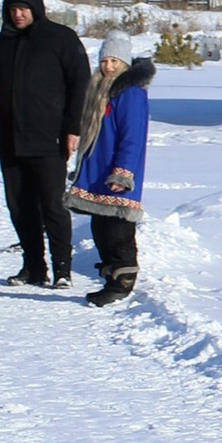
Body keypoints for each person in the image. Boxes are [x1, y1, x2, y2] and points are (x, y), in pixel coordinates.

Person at [0, 0, 91, 289]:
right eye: (13, 8)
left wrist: (73, 128)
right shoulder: (0, 43)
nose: (18, 14)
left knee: (53, 206)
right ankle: (33, 266)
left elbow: (79, 84)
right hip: (10, 139)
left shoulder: (60, 38)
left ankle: (62, 269)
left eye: (24, 8)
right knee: (20, 207)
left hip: (48, 140)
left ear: (36, 8)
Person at [69, 38, 155, 306]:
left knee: (118, 228)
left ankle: (123, 280)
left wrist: (123, 172)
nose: (108, 67)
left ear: (125, 64)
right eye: (104, 61)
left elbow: (132, 136)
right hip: (98, 170)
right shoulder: (100, 90)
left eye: (114, 62)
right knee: (101, 226)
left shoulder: (130, 93)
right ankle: (110, 275)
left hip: (117, 172)